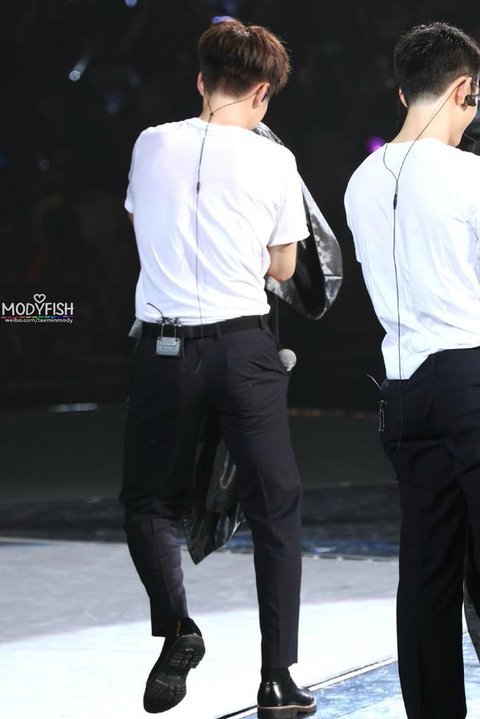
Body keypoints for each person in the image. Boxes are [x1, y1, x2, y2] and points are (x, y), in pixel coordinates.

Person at [120, 17, 316, 717]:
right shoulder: (275, 161)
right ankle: (276, 679)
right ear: (262, 93)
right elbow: (285, 267)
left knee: (147, 502)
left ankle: (178, 628)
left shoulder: (150, 143)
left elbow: (143, 223)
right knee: (275, 507)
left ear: (202, 80)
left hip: (164, 349)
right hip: (242, 350)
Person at [345, 21, 480, 719]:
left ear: (403, 93)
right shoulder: (468, 174)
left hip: (403, 389)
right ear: (463, 89)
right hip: (469, 378)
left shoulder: (359, 181)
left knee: (426, 574)